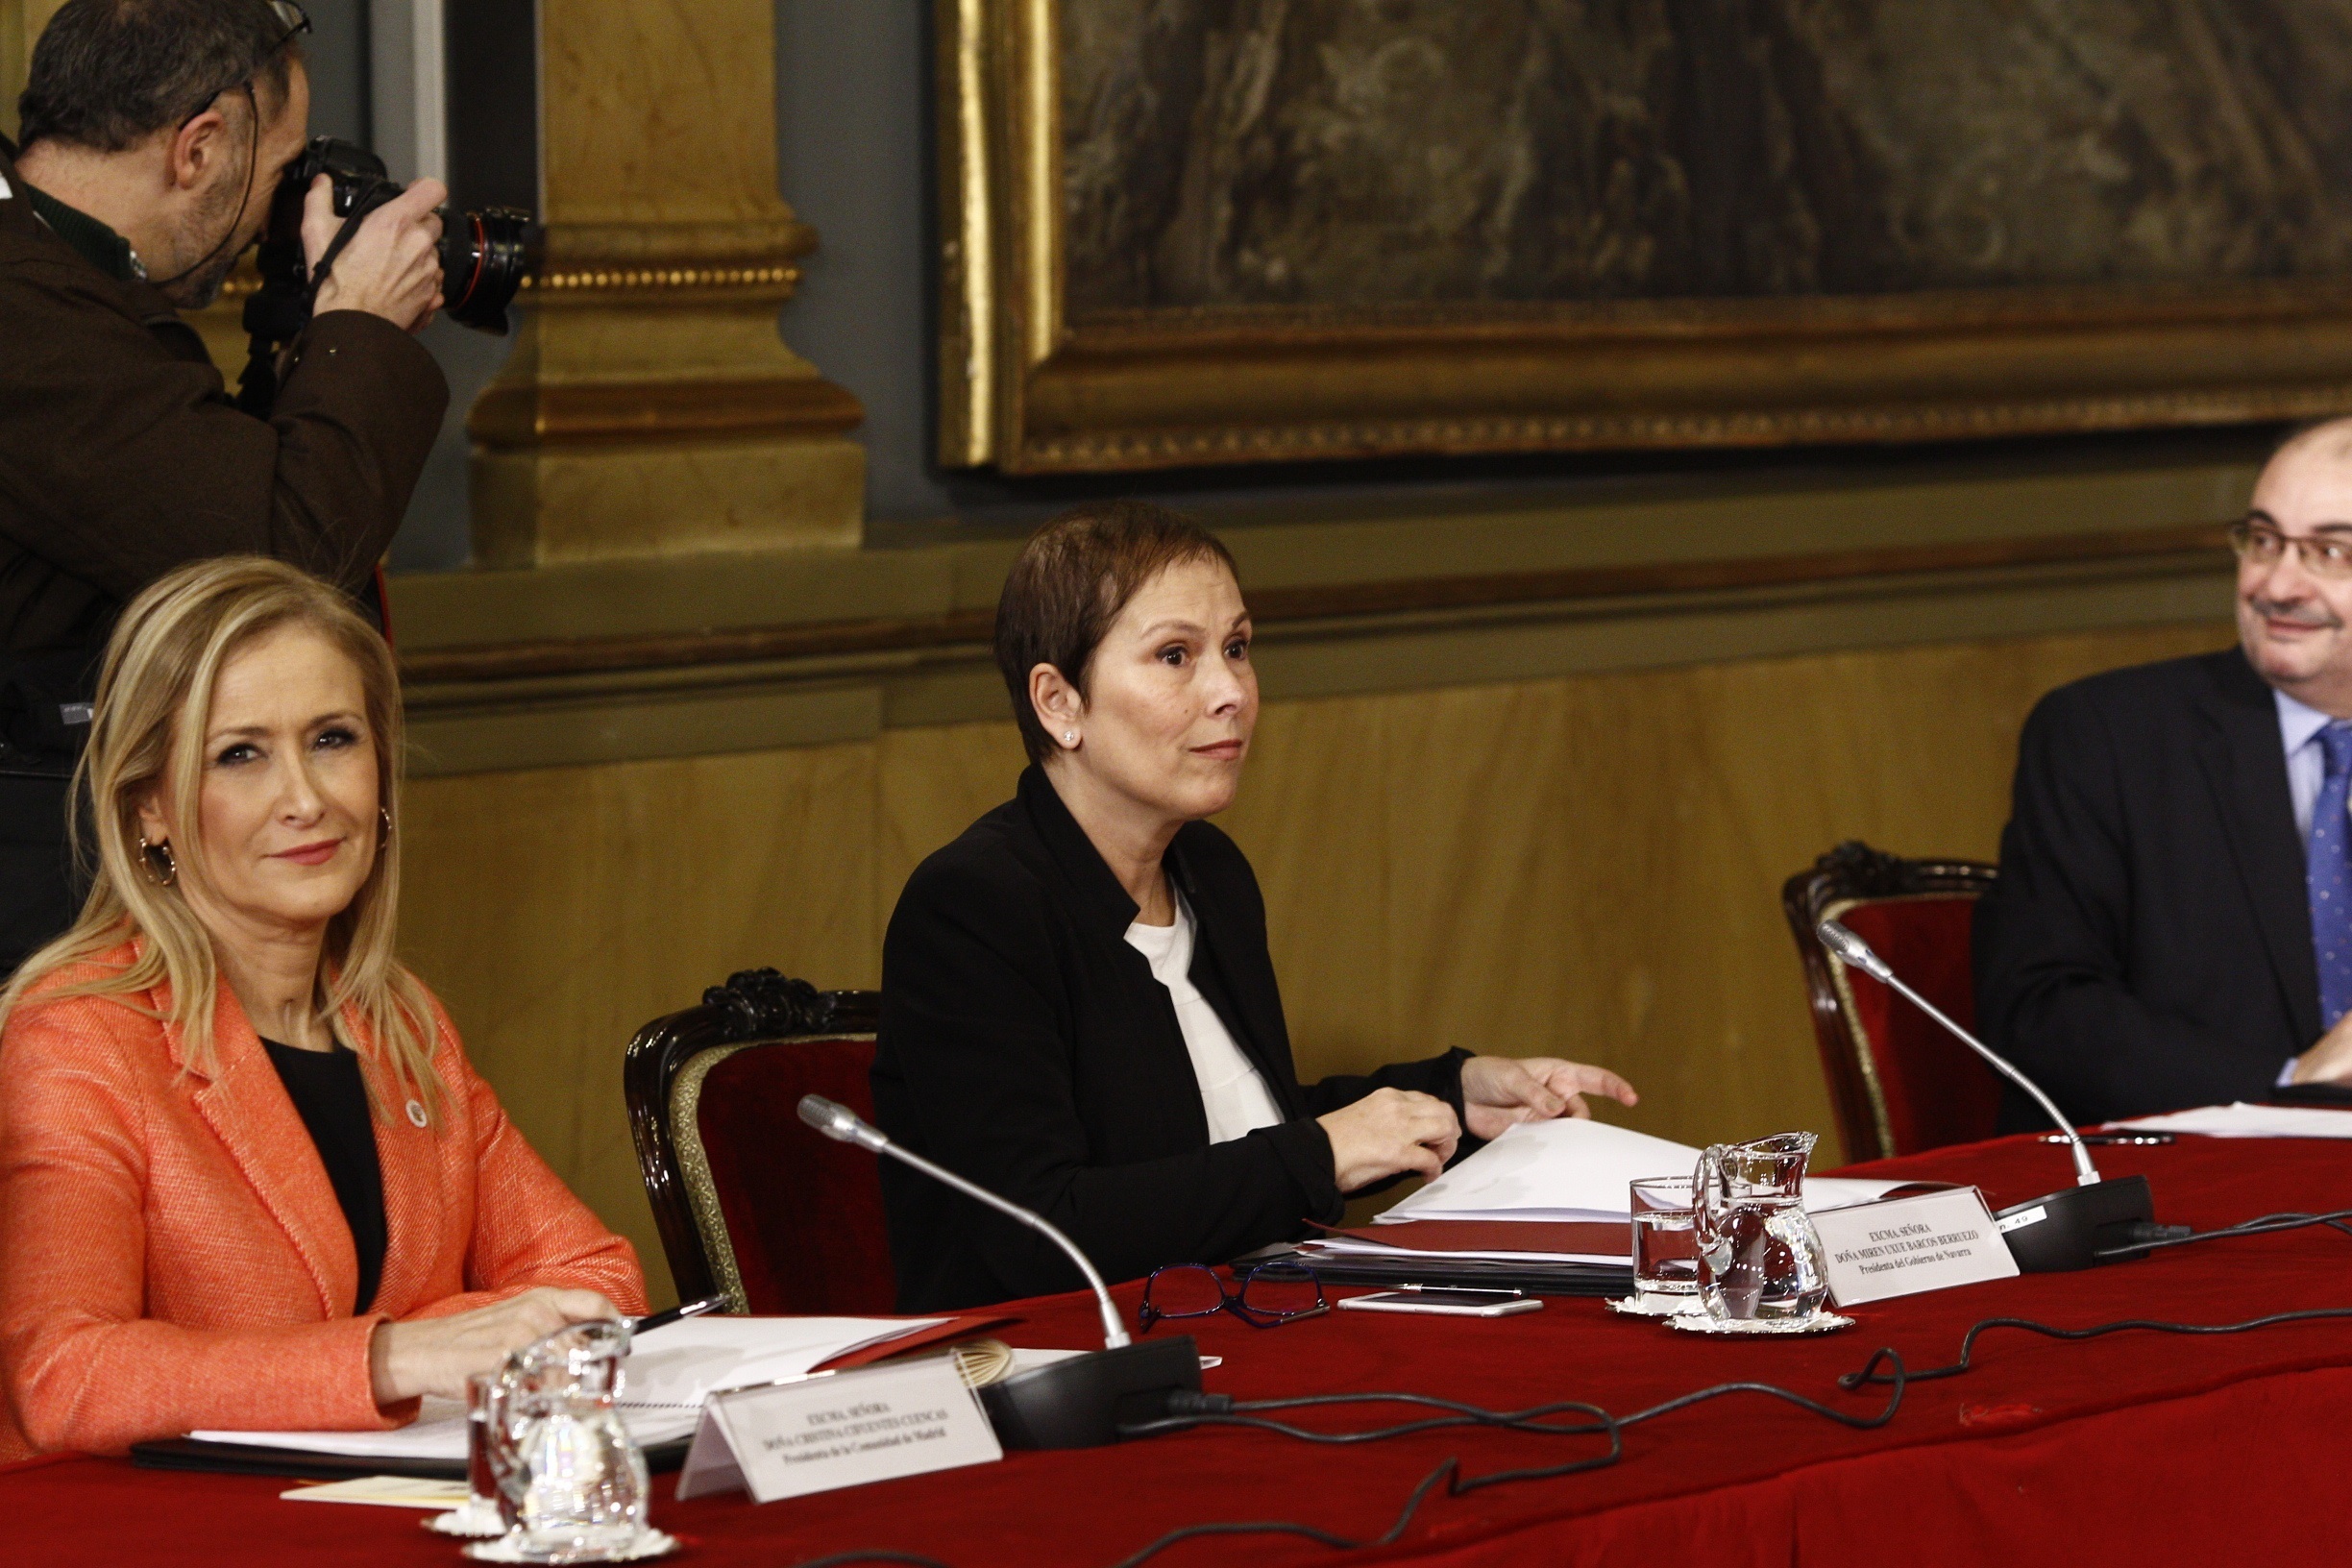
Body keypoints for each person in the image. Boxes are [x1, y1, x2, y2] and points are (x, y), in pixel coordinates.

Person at [871, 501, 1639, 1312]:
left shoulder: (1209, 872)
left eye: (1236, 648)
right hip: (1063, 1359)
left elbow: (1225, 1135)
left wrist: (1455, 1097)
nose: (1231, 691)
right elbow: (1042, 1232)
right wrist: (1319, 1155)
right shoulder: (974, 908)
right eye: (1175, 655)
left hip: (1246, 1320)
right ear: (1059, 702)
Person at [0, 557, 644, 1461]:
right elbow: (62, 1375)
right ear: (150, 806)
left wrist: (429, 1347)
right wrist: (392, 1358)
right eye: (241, 754)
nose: (305, 799)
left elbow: (596, 1278)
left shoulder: (401, 1024)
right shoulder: (77, 1036)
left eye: (333, 740)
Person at [0, 0, 451, 969]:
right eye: (278, 173)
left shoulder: (56, 274)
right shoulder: (23, 307)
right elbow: (280, 563)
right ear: (198, 149)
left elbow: (191, 501)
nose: (268, 216)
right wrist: (362, 327)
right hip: (38, 930)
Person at [1974, 417, 2352, 1126]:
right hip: (2202, 1168)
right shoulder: (2106, 737)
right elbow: (2041, 1010)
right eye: (2264, 541)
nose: (2277, 585)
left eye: (2329, 552)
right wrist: (2290, 1084)